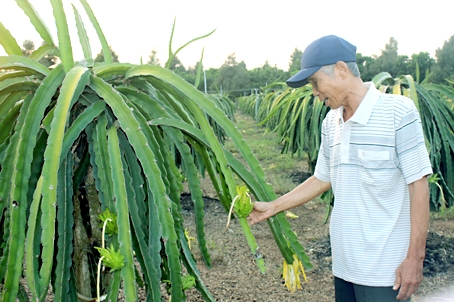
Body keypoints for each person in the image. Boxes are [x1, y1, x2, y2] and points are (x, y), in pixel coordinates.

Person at [247, 35, 432, 302]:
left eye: (315, 82)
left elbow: (419, 185)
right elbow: (322, 178)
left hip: (385, 272)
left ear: (341, 70)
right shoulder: (331, 121)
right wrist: (273, 206)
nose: (314, 92)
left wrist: (415, 258)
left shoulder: (398, 113)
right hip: (344, 266)